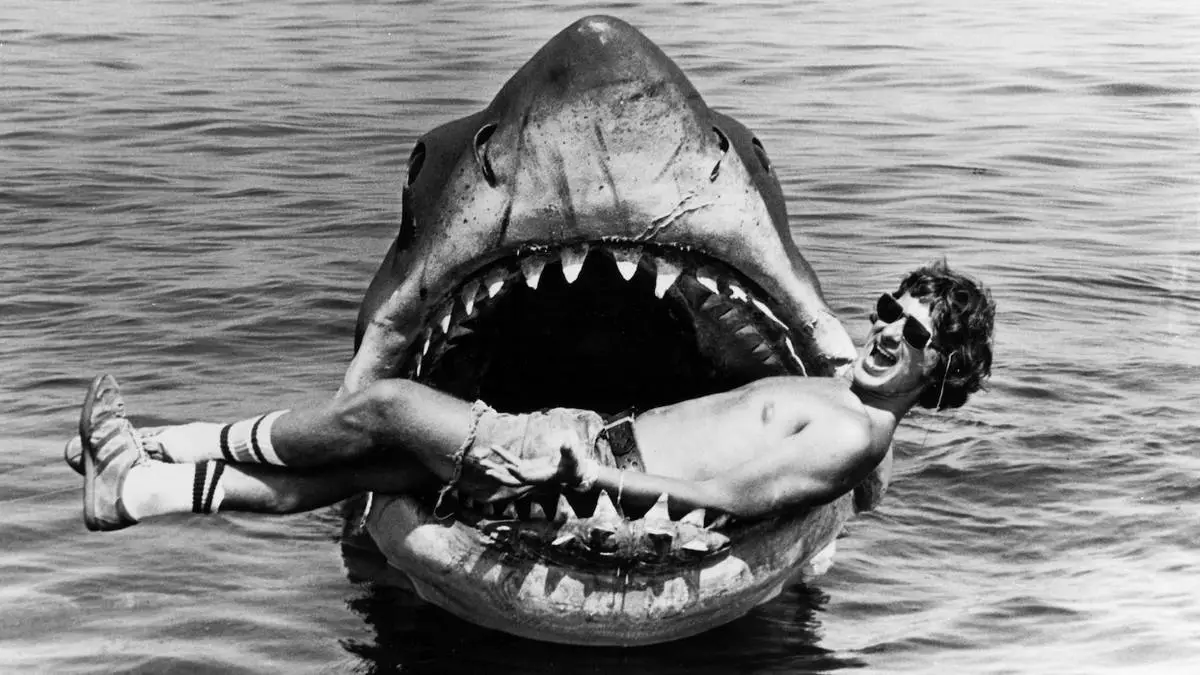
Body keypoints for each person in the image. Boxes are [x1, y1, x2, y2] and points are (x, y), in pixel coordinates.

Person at [71, 261, 994, 532]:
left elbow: (734, 497)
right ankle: (134, 490)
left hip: (588, 464)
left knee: (385, 409)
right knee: (355, 473)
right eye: (889, 309)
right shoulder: (847, 392)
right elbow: (830, 362)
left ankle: (162, 444)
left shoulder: (854, 434)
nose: (886, 330)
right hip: (586, 438)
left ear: (942, 373)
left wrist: (593, 477)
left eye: (912, 334)